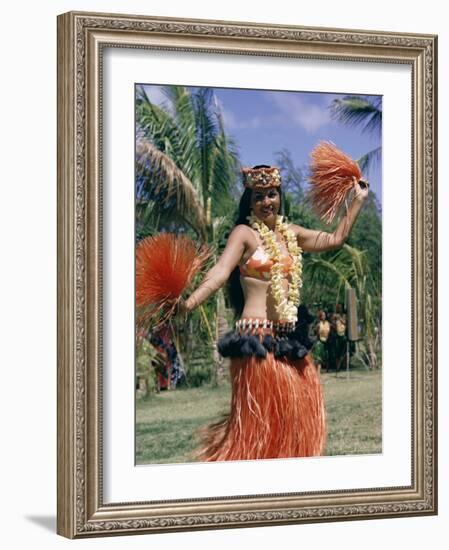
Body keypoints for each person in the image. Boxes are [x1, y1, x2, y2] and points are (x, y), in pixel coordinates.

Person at [179, 164, 368, 461]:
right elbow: (219, 272)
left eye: (272, 194)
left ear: (279, 196)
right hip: (257, 340)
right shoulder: (244, 233)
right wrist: (188, 303)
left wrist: (357, 200)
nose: (266, 201)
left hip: (289, 340)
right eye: (258, 197)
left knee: (296, 419)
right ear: (249, 202)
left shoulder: (291, 233)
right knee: (260, 425)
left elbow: (334, 239)